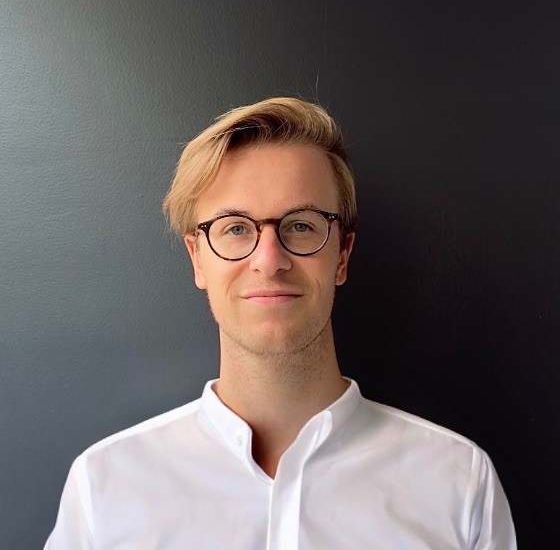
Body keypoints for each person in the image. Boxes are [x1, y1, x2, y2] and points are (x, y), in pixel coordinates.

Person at [44, 96, 517, 549]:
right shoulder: (104, 487)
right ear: (197, 259)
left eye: (302, 225)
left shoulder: (458, 483)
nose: (269, 261)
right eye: (234, 228)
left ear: (342, 254)